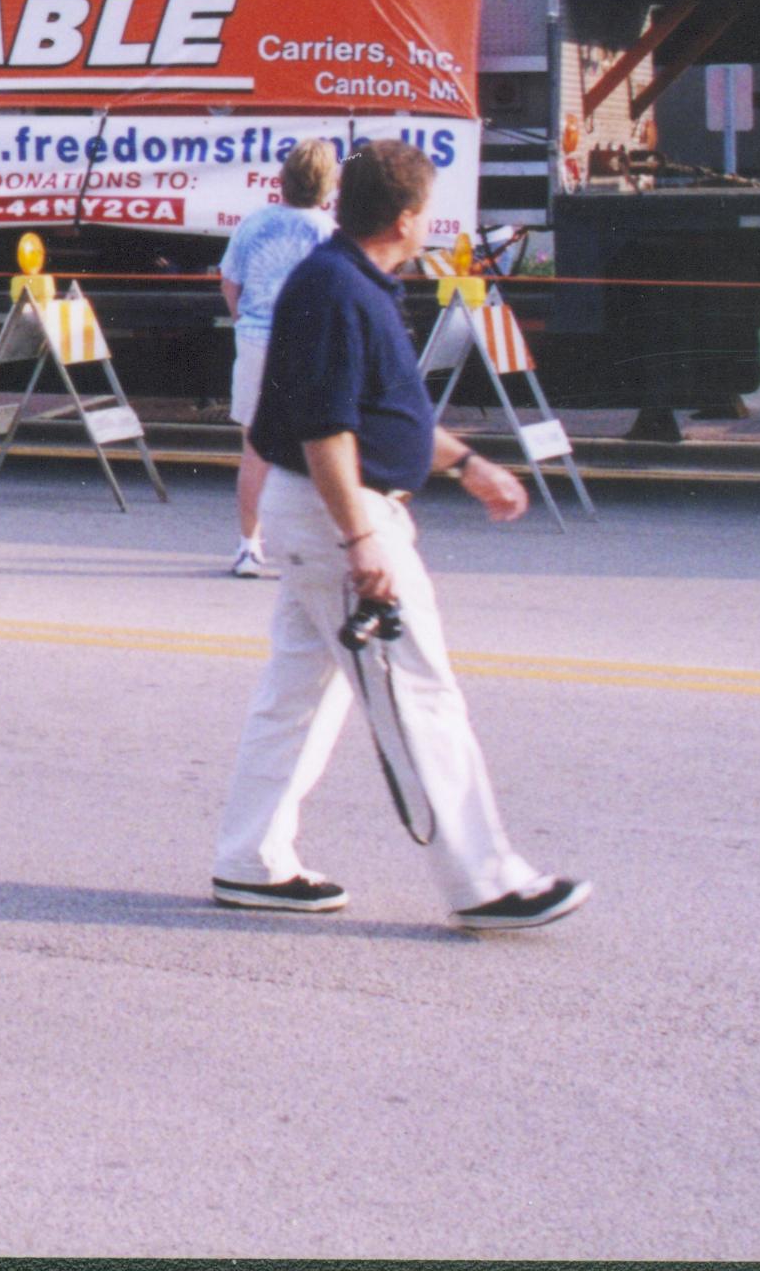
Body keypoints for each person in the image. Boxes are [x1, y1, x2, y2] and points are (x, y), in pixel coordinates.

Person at [210, 139, 590, 933]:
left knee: (297, 699)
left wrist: (468, 465)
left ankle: (250, 860)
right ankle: (485, 882)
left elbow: (389, 414)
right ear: (410, 217)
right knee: (417, 693)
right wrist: (363, 543)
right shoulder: (338, 292)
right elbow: (325, 431)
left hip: (319, 512)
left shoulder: (353, 282)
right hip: (335, 514)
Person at [218, 138, 340, 577]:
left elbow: (229, 283)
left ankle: (249, 546)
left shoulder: (252, 225)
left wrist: (242, 320)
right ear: (328, 188)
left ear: (281, 181)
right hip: (305, 345)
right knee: (320, 446)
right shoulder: (328, 234)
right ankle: (318, 547)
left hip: (255, 338)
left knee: (256, 447)